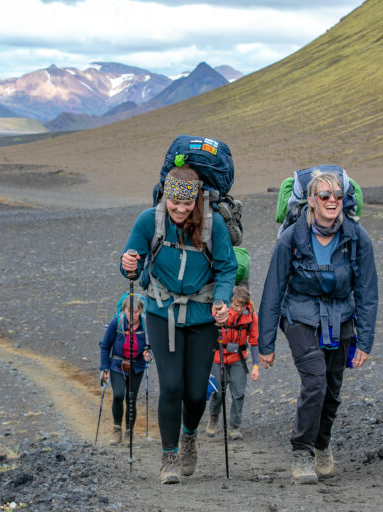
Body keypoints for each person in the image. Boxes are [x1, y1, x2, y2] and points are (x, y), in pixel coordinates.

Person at [258, 170, 378, 484]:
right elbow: (273, 291)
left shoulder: (356, 237)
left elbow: (367, 290)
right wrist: (265, 344)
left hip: (341, 317)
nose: (332, 201)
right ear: (311, 200)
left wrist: (365, 340)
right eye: (324, 196)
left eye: (337, 196)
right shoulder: (292, 238)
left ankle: (322, 444)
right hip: (300, 315)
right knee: (315, 382)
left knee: (332, 391)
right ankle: (302, 452)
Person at [121, 164, 237, 484]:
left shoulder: (213, 225)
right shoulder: (150, 220)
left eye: (188, 204)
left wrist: (222, 299)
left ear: (197, 200)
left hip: (202, 315)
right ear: (165, 196)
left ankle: (189, 436)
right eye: (175, 202)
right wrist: (128, 263)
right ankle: (169, 455)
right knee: (172, 385)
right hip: (162, 311)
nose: (181, 210)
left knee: (197, 393)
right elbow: (132, 263)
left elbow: (228, 268)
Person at [206, 285, 260, 440]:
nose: (237, 309)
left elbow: (255, 341)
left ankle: (234, 427)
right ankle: (214, 417)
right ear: (230, 301)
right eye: (235, 305)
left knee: (239, 393)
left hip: (238, 358)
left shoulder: (251, 317)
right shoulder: (219, 313)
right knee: (218, 391)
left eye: (241, 306)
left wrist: (256, 365)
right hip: (217, 357)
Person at [99, 294, 152, 446]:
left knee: (131, 399)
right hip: (117, 364)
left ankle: (129, 433)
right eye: (129, 312)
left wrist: (149, 354)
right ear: (124, 310)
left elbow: (153, 345)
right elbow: (105, 345)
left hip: (137, 366)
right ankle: (117, 430)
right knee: (118, 395)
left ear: (140, 311)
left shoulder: (146, 325)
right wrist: (104, 367)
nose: (132, 316)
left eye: (135, 312)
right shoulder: (116, 322)